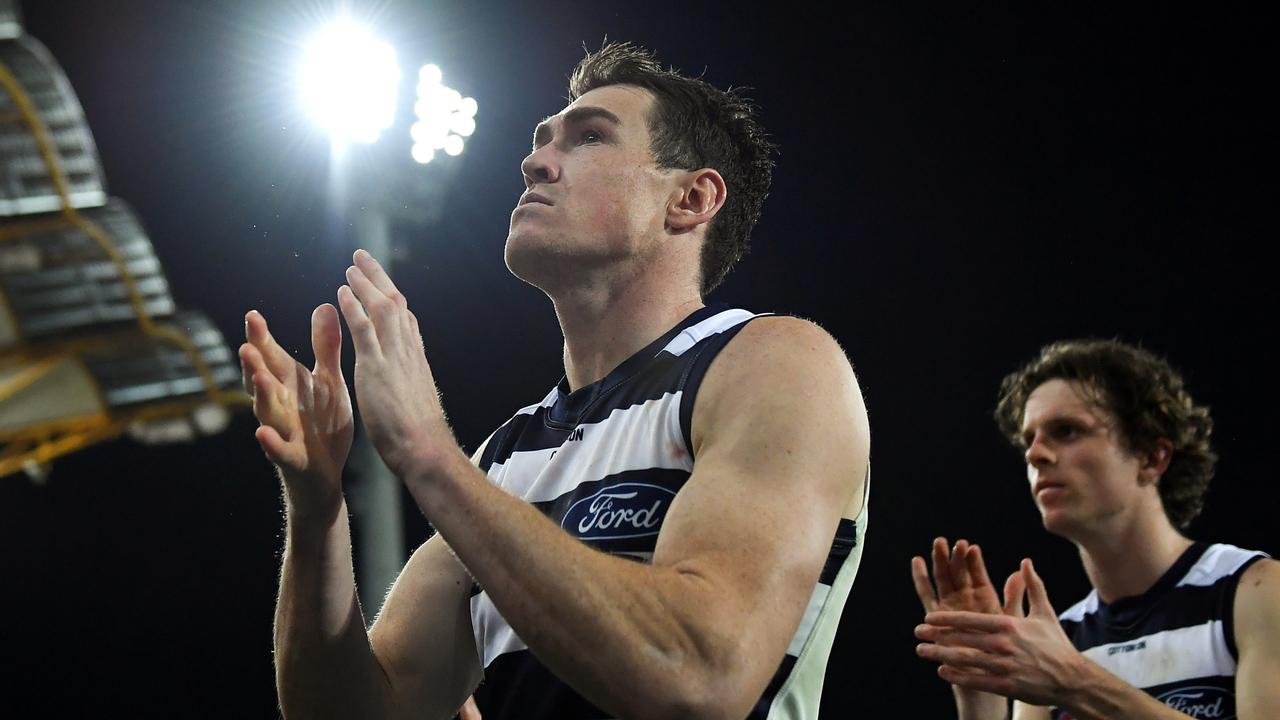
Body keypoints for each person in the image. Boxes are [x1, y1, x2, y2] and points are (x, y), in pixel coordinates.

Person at [239, 42, 870, 719]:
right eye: (543, 141)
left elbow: (697, 676)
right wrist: (317, 509)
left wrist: (429, 456)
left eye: (590, 136)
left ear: (689, 199)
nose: (534, 160)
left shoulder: (773, 363)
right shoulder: (506, 459)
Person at [910, 340, 1280, 719]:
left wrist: (1077, 683)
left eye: (1067, 431)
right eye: (1028, 440)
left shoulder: (1257, 590)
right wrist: (980, 693)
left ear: (1152, 457)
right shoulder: (1055, 644)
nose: (1035, 454)